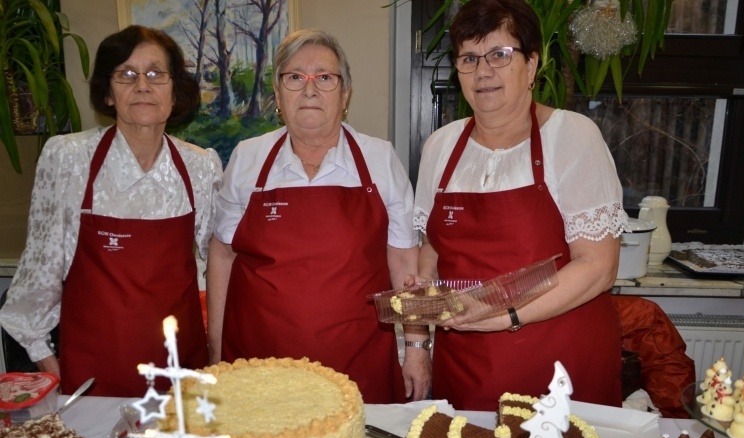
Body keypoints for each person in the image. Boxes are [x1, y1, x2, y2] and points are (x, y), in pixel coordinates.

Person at [413, 0, 629, 410]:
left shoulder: (572, 136)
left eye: (500, 54)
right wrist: (425, 286)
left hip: (559, 371)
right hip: (465, 366)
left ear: (531, 65)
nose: (482, 71)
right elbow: (434, 246)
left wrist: (506, 315)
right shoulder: (440, 147)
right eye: (469, 58)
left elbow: (598, 267)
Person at [207, 29, 428, 403]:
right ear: (278, 94)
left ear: (345, 94)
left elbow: (405, 260)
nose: (309, 89)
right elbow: (223, 254)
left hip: (358, 362)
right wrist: (215, 348)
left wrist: (417, 347)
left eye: (324, 77)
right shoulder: (247, 158)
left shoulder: (379, 158)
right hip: (260, 366)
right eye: (295, 77)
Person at [0, 26, 222, 396]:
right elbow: (40, 269)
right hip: (94, 372)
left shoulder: (200, 166)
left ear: (175, 91)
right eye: (127, 74)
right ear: (107, 92)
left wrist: (217, 348)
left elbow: (218, 263)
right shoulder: (69, 159)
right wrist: (45, 358)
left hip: (181, 368)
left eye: (156, 73)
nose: (142, 86)